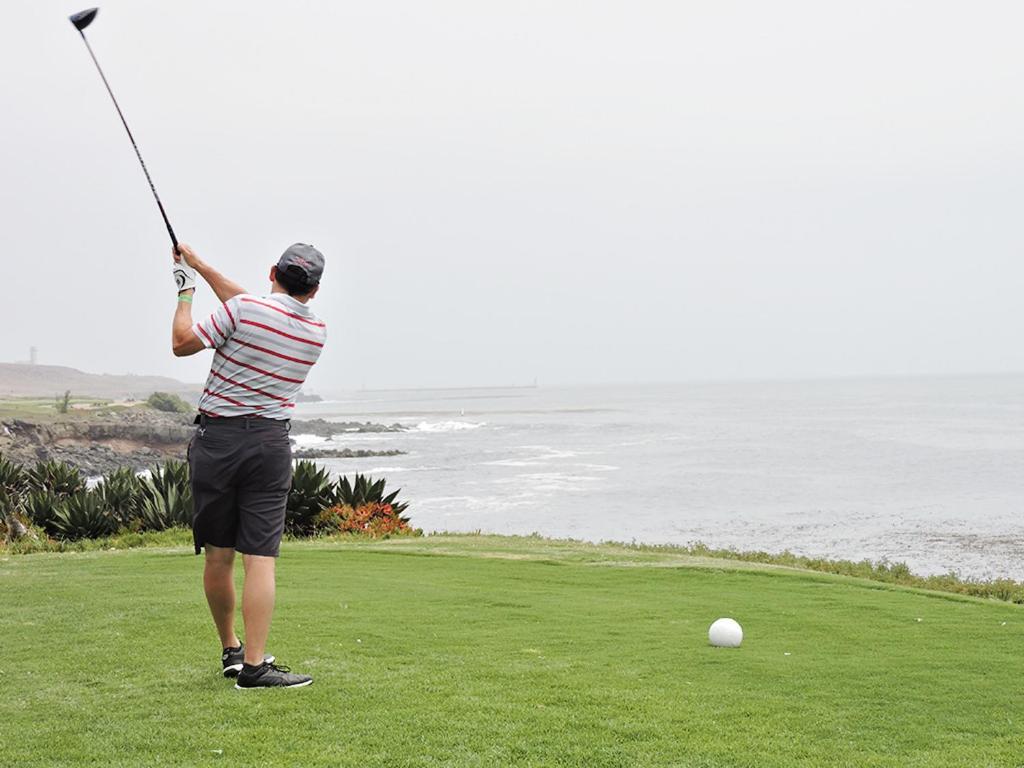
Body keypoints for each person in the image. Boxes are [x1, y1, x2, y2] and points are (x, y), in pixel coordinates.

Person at [171, 242, 326, 689]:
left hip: (217, 440)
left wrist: (186, 289)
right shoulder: (316, 330)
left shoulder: (244, 310)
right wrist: (199, 264)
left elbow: (182, 343)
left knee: (220, 556)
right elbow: (256, 307)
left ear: (272, 271)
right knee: (260, 559)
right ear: (314, 291)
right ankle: (253, 665)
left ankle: (230, 648)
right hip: (269, 445)